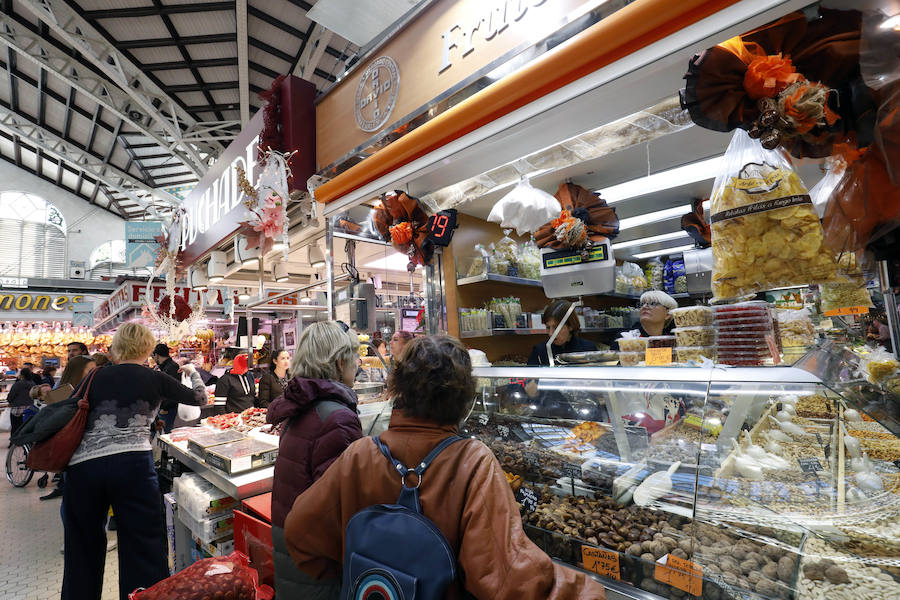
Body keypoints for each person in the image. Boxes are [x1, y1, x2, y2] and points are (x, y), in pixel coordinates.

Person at [283, 335, 606, 599]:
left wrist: (350, 571)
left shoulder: (359, 454)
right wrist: (588, 591)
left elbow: (300, 531)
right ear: (464, 396)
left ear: (399, 387)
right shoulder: (473, 461)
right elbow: (508, 577)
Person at [61, 322, 205, 600]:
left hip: (84, 468)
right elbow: (200, 398)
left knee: (81, 547)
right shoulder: (154, 378)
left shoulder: (95, 376)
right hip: (132, 467)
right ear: (148, 347)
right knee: (143, 545)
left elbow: (68, 407)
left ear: (117, 347)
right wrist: (192, 373)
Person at [267, 322, 362, 598]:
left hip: (292, 547)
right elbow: (339, 508)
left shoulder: (302, 405)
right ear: (340, 360)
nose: (357, 363)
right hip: (318, 561)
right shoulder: (337, 417)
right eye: (354, 356)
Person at [40, 354, 98, 502]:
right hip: (73, 450)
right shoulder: (65, 393)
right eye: (90, 371)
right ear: (77, 372)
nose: (94, 374)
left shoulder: (90, 390)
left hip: (89, 451)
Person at [527, 300, 597, 366]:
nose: (551, 334)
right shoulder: (539, 351)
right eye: (548, 327)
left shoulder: (588, 350)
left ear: (571, 326)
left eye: (556, 327)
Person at [152, 343, 181, 432]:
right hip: (163, 407)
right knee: (160, 433)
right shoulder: (165, 367)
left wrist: (165, 408)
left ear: (156, 355)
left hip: (168, 409)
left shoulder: (171, 368)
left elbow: (174, 390)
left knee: (165, 433)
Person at [7, 367, 35, 439]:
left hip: (17, 408)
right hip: (29, 408)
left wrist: (9, 401)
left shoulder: (18, 384)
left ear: (21, 375)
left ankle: (13, 442)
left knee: (15, 426)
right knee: (27, 426)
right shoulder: (33, 384)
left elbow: (11, 395)